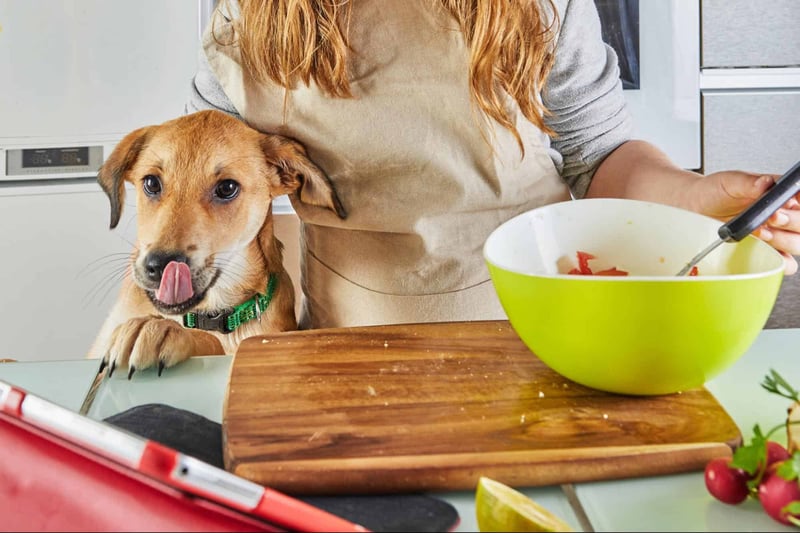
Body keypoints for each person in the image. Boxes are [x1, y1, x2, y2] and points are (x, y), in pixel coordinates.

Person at [186, 0, 800, 330]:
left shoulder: (540, 5)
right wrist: (168, 311)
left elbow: (603, 155)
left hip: (540, 336)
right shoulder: (252, 17)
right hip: (347, 343)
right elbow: (198, 178)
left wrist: (701, 197)